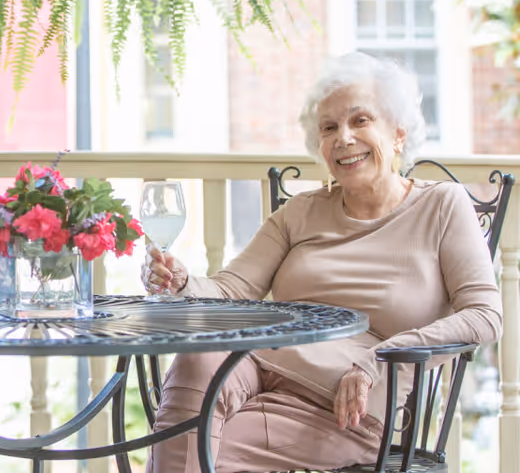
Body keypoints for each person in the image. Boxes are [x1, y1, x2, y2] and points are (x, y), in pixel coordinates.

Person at [142, 52, 503, 473]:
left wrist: (380, 357)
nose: (343, 138)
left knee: (201, 451)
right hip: (260, 362)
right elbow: (231, 290)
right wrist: (183, 281)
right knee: (197, 361)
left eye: (360, 120)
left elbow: (485, 314)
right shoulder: (300, 213)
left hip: (349, 403)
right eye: (329, 128)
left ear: (398, 134)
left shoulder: (441, 206)